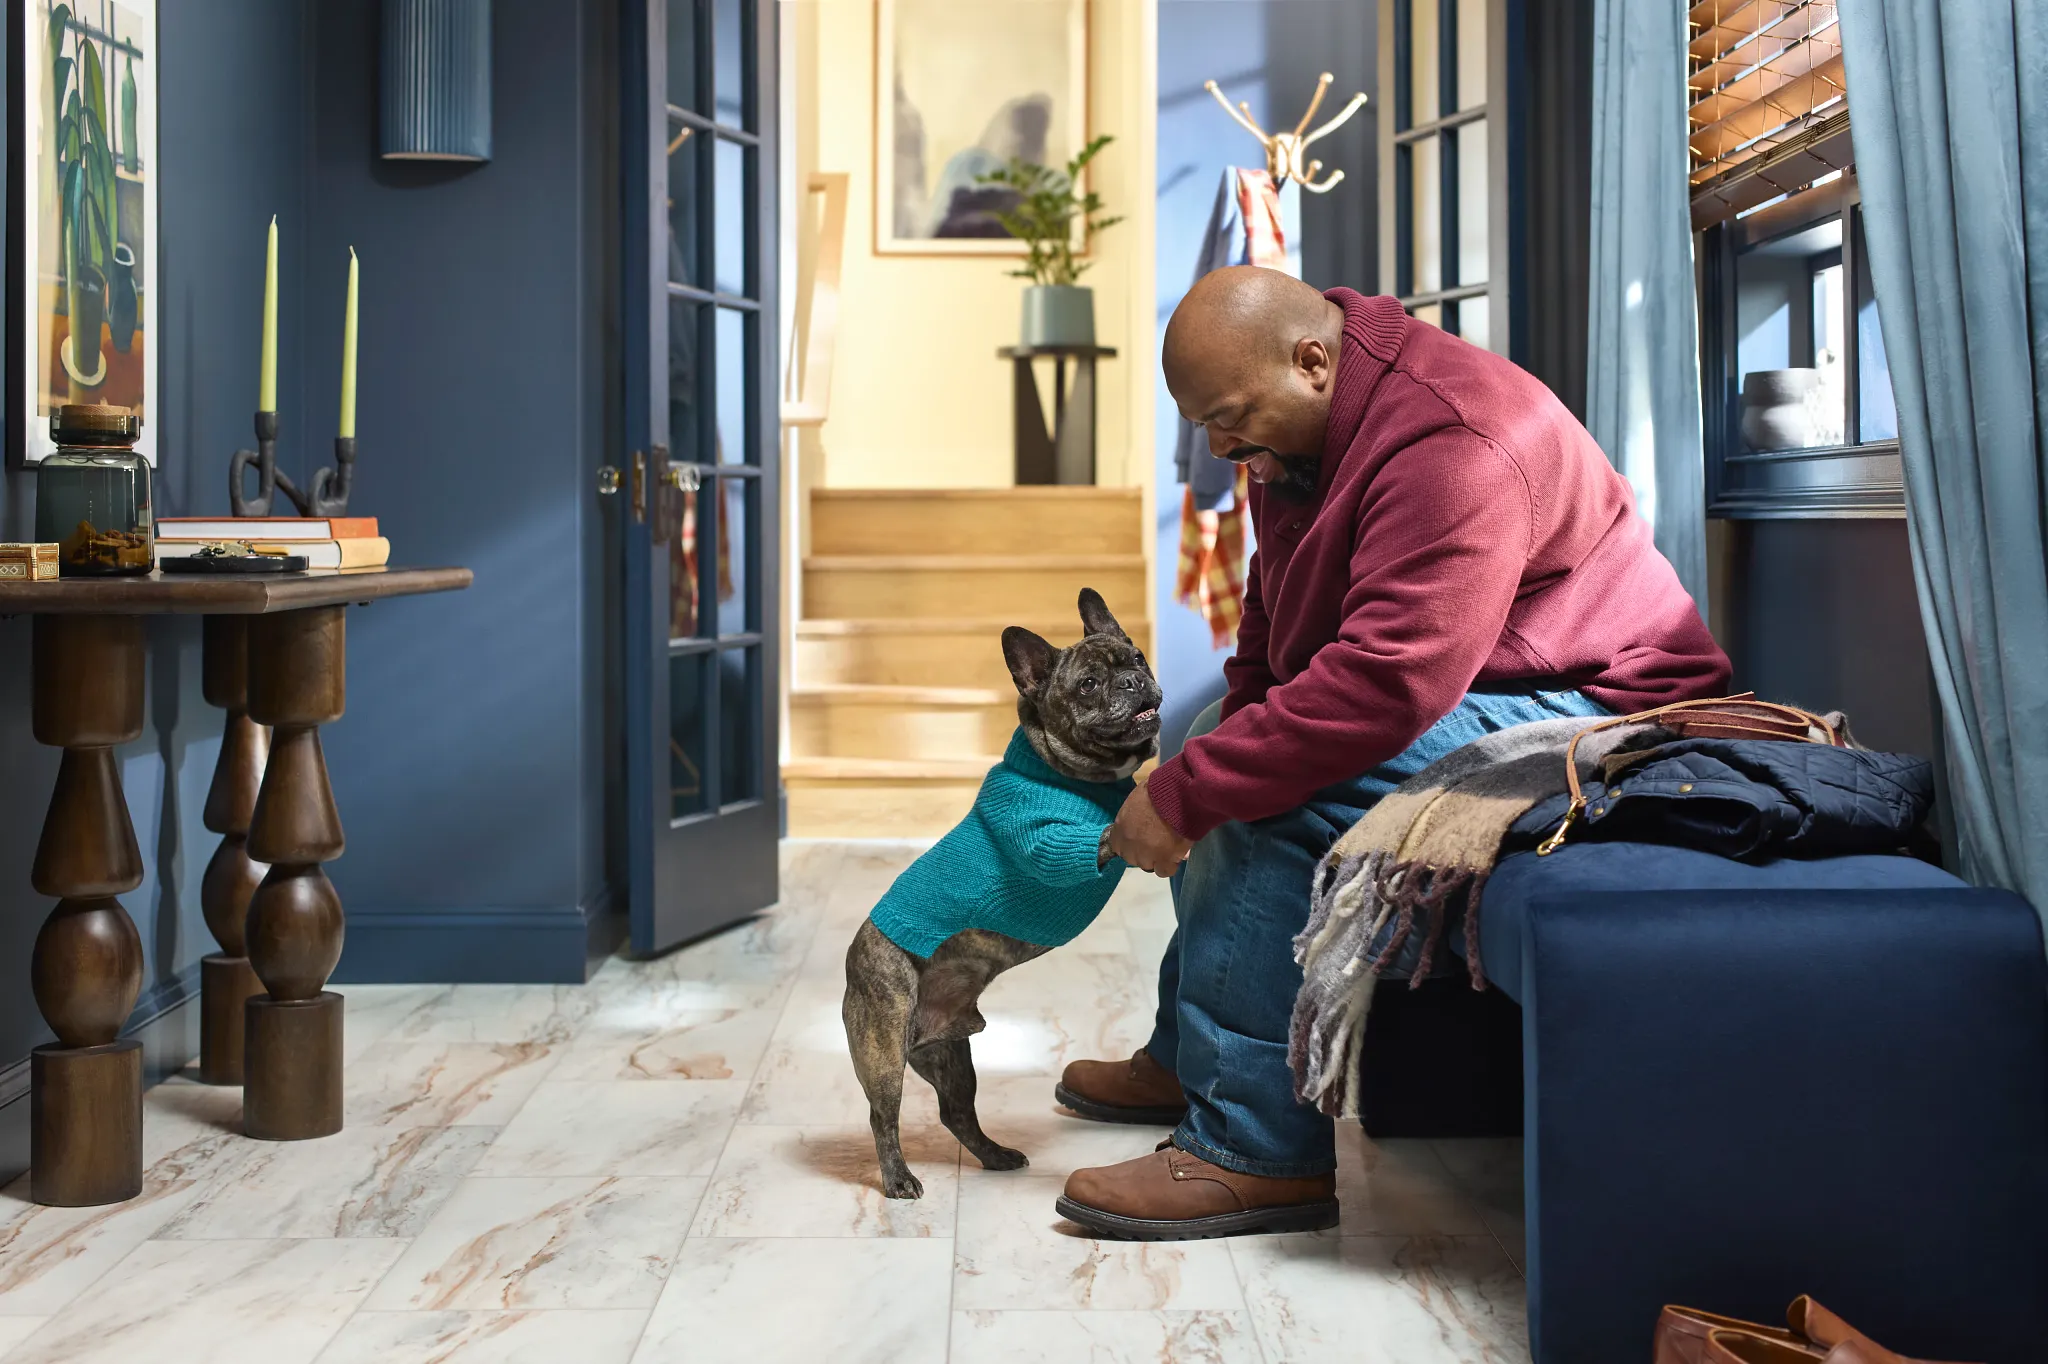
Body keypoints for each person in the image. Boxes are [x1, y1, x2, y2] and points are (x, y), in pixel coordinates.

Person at [1054, 266, 1732, 1240]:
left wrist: (1192, 792)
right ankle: (1192, 1052)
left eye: (1229, 417)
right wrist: (1214, 746)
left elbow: (1388, 684)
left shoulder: (1452, 435)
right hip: (1483, 674)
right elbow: (1272, 620)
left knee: (1263, 789)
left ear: (1312, 359)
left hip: (1606, 706)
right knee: (1218, 746)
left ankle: (1251, 1153)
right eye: (1202, 424)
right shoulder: (1294, 433)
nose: (1218, 445)